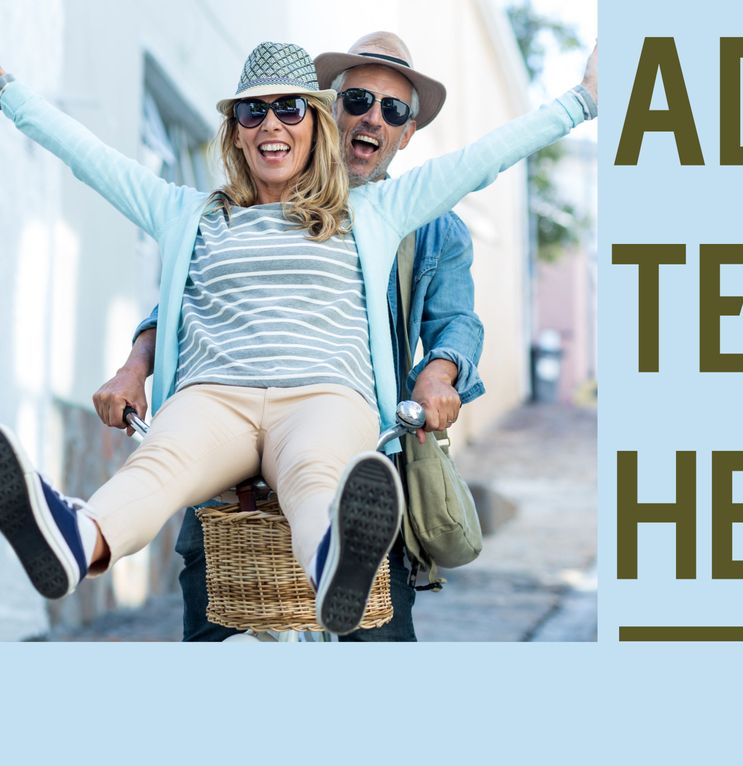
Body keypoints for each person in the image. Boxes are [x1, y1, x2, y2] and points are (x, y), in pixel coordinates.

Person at [0, 40, 598, 635]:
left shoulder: (377, 212)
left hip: (323, 396)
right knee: (158, 466)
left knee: (319, 476)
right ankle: (75, 540)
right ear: (235, 131)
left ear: (315, 126)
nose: (270, 124)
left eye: (289, 109)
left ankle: (335, 566)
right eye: (252, 111)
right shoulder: (188, 214)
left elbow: (482, 159)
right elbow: (87, 155)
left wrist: (583, 102)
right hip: (215, 397)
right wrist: (8, 89)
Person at [93, 32, 485, 642]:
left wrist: (438, 374)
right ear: (328, 110)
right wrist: (133, 367)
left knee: (376, 637)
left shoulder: (425, 221)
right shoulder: (250, 207)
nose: (372, 118)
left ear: (407, 134)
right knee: (215, 635)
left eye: (394, 110)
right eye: (357, 99)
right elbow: (183, 300)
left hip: (352, 451)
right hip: (229, 463)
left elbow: (456, 321)